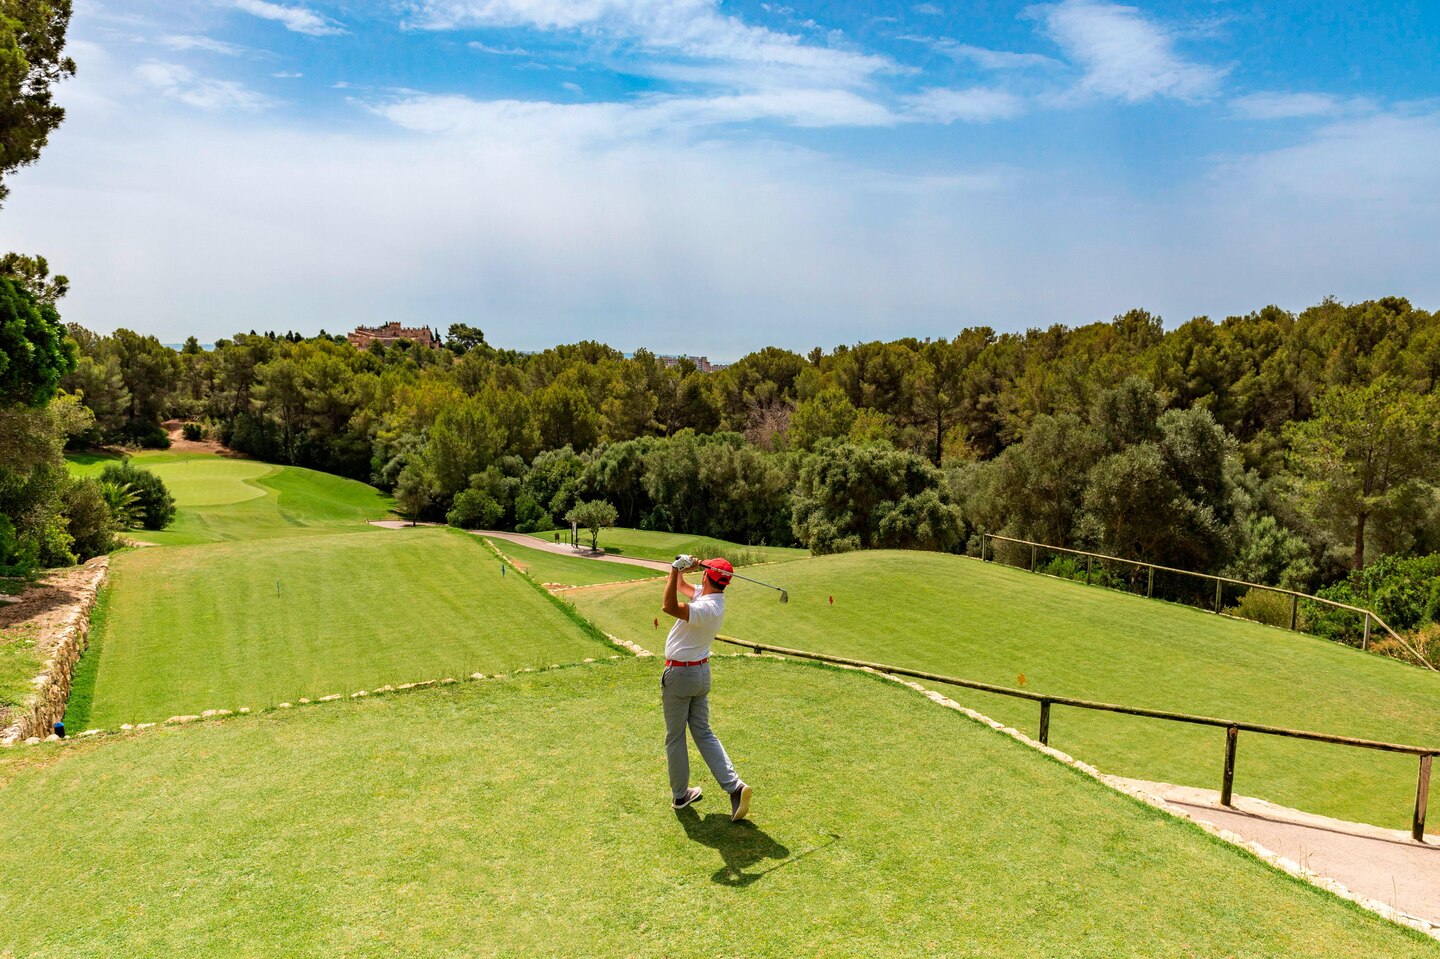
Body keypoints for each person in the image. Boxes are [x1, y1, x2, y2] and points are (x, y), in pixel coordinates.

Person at [660, 553, 751, 821]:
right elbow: (681, 587)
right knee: (703, 732)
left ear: (707, 576)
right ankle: (735, 787)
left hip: (680, 675)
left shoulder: (704, 608)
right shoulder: (712, 599)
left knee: (675, 736)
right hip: (700, 673)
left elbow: (669, 606)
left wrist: (675, 567)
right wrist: (682, 568)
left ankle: (680, 795)